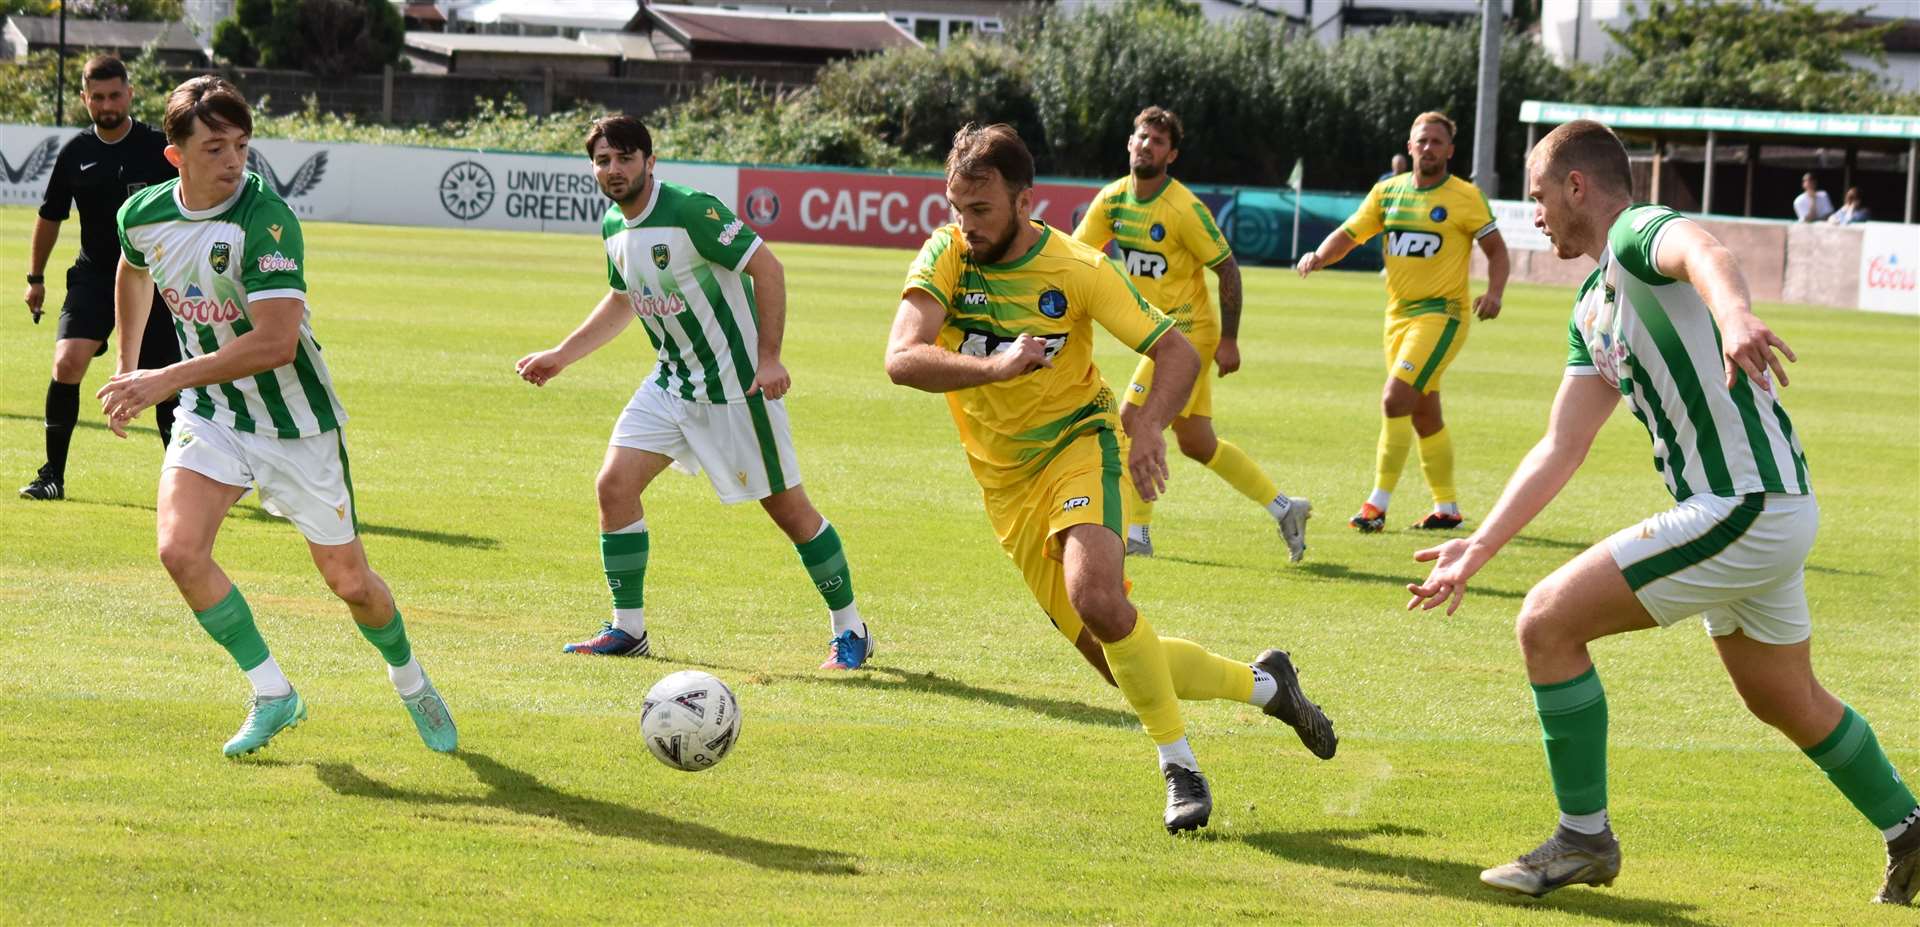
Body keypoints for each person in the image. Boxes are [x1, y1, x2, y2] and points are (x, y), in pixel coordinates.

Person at [1407, 119, 1918, 904]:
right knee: (1782, 696)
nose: (1533, 213)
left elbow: (1701, 249)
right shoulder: (1591, 304)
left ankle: (1584, 838)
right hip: (1760, 508)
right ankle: (1910, 829)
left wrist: (1736, 315)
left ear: (1578, 186)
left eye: (1539, 195)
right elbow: (1560, 445)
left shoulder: (1636, 233)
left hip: (1744, 502)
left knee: (1545, 622)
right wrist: (1478, 547)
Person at [886, 123, 1337, 835]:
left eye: (981, 210)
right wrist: (995, 365)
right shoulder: (946, 256)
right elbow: (901, 358)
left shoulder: (1076, 268)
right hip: (1005, 486)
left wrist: (1150, 425)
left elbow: (1176, 349)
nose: (965, 225)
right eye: (956, 208)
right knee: (1119, 657)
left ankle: (1180, 766)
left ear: (1025, 201)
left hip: (1077, 441)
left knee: (1095, 593)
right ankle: (1268, 685)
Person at [97, 76, 457, 757]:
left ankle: (409, 679)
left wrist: (162, 378)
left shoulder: (265, 220)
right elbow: (133, 270)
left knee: (351, 583)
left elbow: (274, 342)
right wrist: (125, 365)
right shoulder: (143, 213)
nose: (233, 161)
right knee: (179, 550)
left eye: (240, 144)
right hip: (212, 412)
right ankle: (273, 692)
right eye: (213, 147)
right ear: (176, 156)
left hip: (297, 422)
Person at [516, 114, 871, 670]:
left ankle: (852, 630)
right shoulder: (613, 225)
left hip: (736, 388)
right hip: (672, 382)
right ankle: (628, 629)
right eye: (604, 160)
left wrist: (770, 358)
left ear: (650, 161)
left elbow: (769, 270)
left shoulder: (690, 211)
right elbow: (622, 301)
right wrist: (562, 356)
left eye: (625, 158)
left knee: (789, 511)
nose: (614, 170)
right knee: (613, 485)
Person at [1071, 106, 1310, 561]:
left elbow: (1228, 268)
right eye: (1142, 137)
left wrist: (1230, 339)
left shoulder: (1183, 208)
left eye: (1158, 141)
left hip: (1187, 332)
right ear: (1129, 142)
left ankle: (1138, 535)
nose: (1147, 145)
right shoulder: (1113, 200)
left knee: (1132, 421)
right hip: (1157, 331)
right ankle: (1285, 508)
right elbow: (1077, 255)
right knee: (1198, 443)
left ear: (1171, 154)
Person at [1296, 111, 1509, 533]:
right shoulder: (1387, 193)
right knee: (1424, 413)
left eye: (1436, 142)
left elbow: (1497, 251)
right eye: (1421, 141)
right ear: (1409, 147)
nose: (1428, 148)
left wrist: (1495, 291)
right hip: (1398, 317)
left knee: (1395, 398)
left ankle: (1377, 504)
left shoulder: (1465, 196)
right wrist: (1320, 255)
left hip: (1442, 314)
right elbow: (1351, 233)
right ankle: (1447, 507)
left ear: (1449, 151)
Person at [21, 55, 181, 501]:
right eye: (98, 97)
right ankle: (52, 475)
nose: (107, 104)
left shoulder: (158, 148)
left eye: (114, 95)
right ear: (84, 99)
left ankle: (184, 487)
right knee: (66, 364)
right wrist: (36, 277)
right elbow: (50, 216)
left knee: (165, 384)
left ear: (129, 94)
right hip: (93, 276)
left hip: (152, 278)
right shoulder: (75, 153)